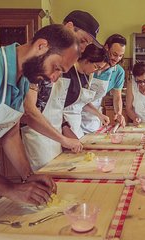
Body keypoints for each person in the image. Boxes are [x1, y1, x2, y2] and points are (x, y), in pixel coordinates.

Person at [0, 24, 78, 232]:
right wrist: (11, 188)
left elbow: (9, 134)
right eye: (56, 68)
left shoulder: (22, 79)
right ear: (42, 46)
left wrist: (27, 175)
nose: (54, 78)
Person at [21, 10, 100, 170]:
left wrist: (64, 129)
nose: (83, 48)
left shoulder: (66, 61)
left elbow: (57, 106)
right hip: (38, 136)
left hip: (55, 133)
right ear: (69, 27)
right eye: (83, 40)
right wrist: (63, 139)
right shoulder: (38, 58)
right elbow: (29, 110)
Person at [81, 34, 127, 134]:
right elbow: (79, 97)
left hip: (94, 117)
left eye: (121, 56)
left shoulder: (119, 72)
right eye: (114, 54)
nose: (117, 59)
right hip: (75, 112)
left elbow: (117, 97)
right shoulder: (90, 63)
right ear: (106, 47)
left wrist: (118, 113)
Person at [62, 44, 109, 140]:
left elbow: (82, 102)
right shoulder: (67, 73)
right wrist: (64, 128)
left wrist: (99, 115)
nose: (96, 71)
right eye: (96, 67)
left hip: (76, 124)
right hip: (62, 124)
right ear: (87, 61)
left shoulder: (87, 76)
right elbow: (56, 105)